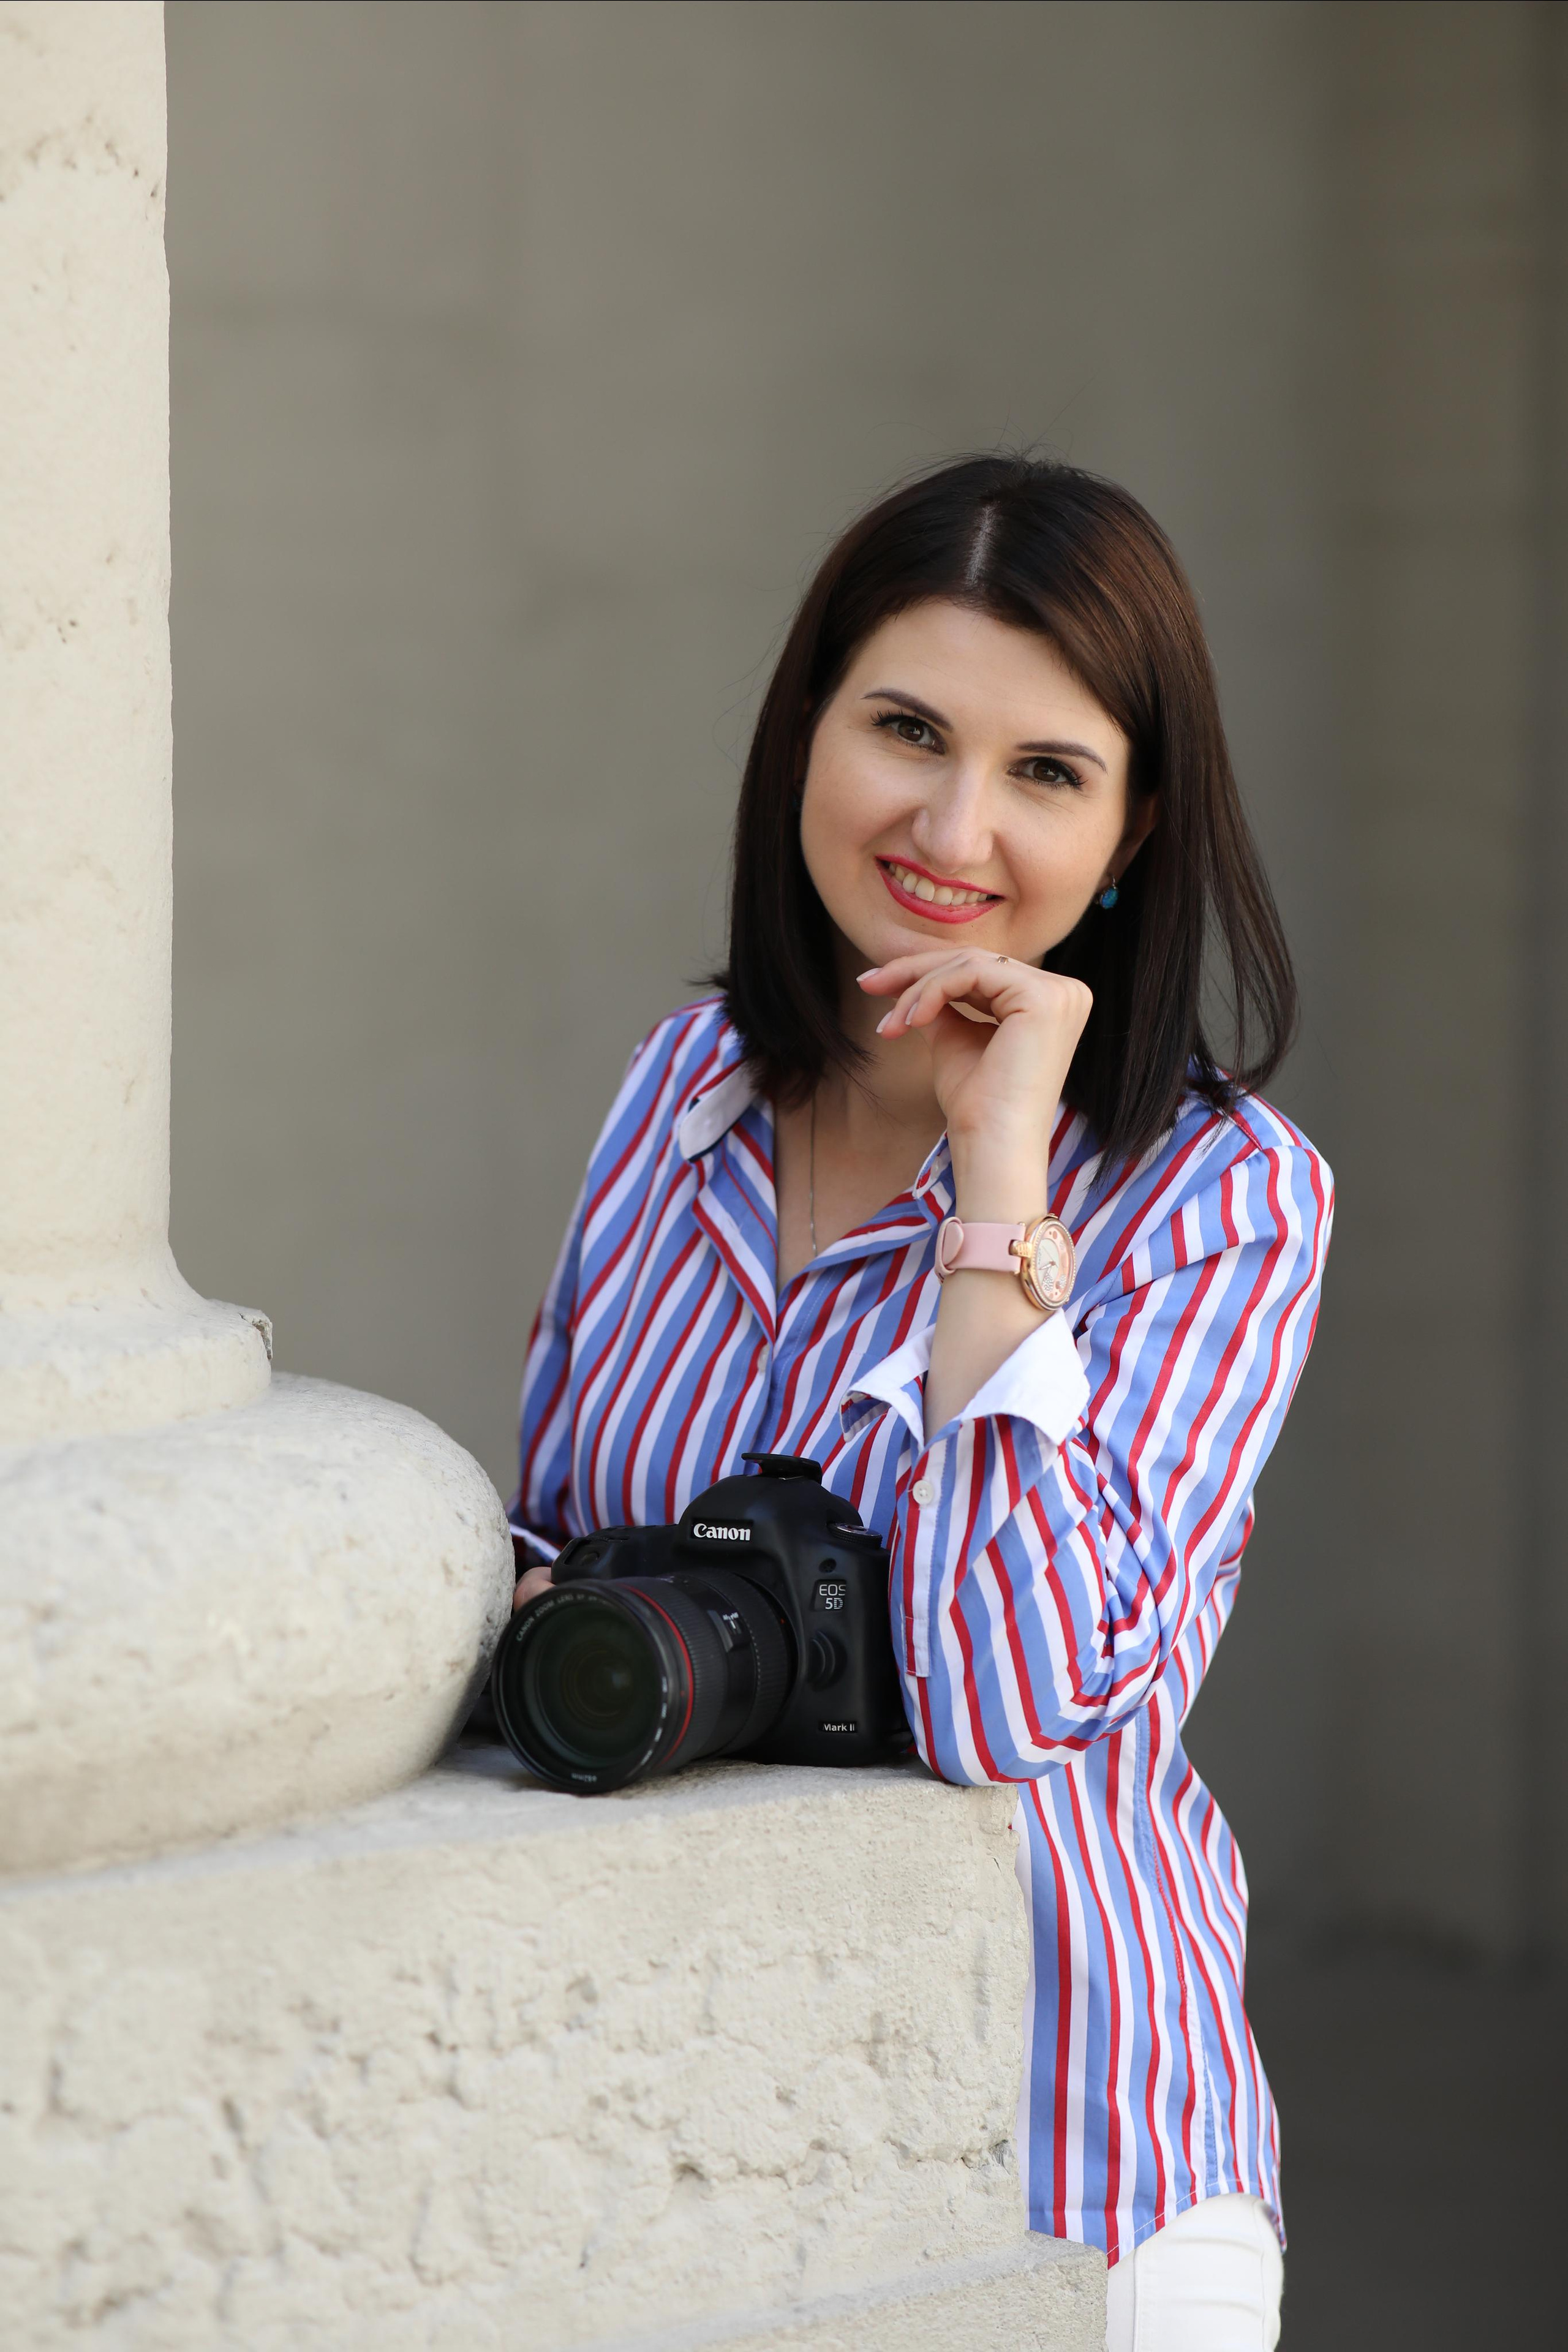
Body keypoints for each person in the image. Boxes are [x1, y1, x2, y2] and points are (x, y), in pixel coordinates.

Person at [507, 455, 1330, 2351]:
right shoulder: (682, 1089)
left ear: (1129, 835)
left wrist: (998, 1192)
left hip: (1070, 2167)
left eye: (1046, 772)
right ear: (806, 734)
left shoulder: (1226, 1199)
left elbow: (1001, 1705)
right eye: (905, 729)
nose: (954, 825)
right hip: (685, 2144)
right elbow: (557, 1560)